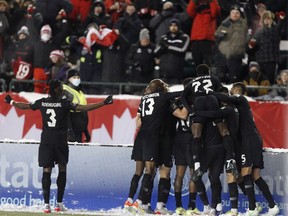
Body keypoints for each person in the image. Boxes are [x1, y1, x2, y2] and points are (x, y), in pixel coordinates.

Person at [3, 79, 113, 213]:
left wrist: (12, 102)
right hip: (60, 141)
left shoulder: (42, 102)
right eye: (61, 87)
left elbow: (25, 106)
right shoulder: (65, 103)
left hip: (46, 141)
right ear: (57, 89)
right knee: (62, 169)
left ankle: (46, 205)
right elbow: (84, 108)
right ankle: (59, 204)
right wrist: (104, 103)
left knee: (46, 171)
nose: (62, 89)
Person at [211, 82, 279, 216]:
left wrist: (210, 93)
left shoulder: (241, 99)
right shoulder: (236, 106)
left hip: (249, 139)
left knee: (246, 172)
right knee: (253, 175)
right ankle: (272, 206)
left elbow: (228, 99)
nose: (231, 91)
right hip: (250, 139)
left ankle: (253, 208)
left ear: (239, 91)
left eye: (234, 89)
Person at [129, 79, 186, 214]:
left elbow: (138, 122)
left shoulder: (147, 100)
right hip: (166, 141)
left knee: (150, 171)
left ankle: (141, 203)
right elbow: (182, 115)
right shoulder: (169, 101)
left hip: (152, 139)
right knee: (163, 172)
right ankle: (158, 207)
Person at [180, 64, 238, 182]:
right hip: (212, 100)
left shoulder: (192, 82)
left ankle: (197, 166)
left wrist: (191, 111)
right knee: (224, 131)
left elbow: (182, 97)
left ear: (197, 74)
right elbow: (222, 92)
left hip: (198, 103)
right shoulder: (214, 79)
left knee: (197, 134)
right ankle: (231, 161)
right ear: (208, 72)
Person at [248, 10, 285, 84]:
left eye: (269, 19)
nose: (267, 21)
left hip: (271, 60)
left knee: (270, 80)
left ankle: (270, 94)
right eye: (265, 19)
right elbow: (252, 46)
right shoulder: (259, 31)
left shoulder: (275, 29)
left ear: (271, 20)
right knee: (260, 80)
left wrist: (281, 19)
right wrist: (250, 45)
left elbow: (280, 26)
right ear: (263, 20)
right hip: (260, 60)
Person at [214, 5, 248, 84]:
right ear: (230, 14)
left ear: (240, 14)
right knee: (220, 79)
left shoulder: (243, 23)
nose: (235, 15)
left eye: (237, 13)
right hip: (223, 56)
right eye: (233, 13)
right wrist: (219, 36)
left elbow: (248, 17)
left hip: (235, 56)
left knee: (234, 80)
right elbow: (216, 34)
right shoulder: (225, 23)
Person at [154, 18, 190, 84]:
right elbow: (156, 52)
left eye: (175, 26)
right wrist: (162, 48)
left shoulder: (184, 37)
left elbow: (182, 50)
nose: (173, 27)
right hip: (163, 72)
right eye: (171, 25)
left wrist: (168, 47)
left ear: (178, 27)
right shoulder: (164, 37)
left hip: (176, 73)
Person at [186, 0, 221, 67]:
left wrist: (212, 1)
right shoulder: (196, 13)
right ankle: (198, 77)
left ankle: (208, 77)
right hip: (196, 41)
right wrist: (194, 1)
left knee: (208, 63)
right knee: (197, 63)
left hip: (207, 41)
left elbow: (215, 11)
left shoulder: (211, 13)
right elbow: (189, 11)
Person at [63, 69, 90, 143]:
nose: (77, 79)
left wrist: (85, 130)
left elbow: (84, 111)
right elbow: (64, 112)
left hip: (79, 127)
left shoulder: (79, 91)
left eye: (78, 77)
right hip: (71, 126)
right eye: (74, 77)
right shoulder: (65, 90)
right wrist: (69, 129)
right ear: (68, 79)